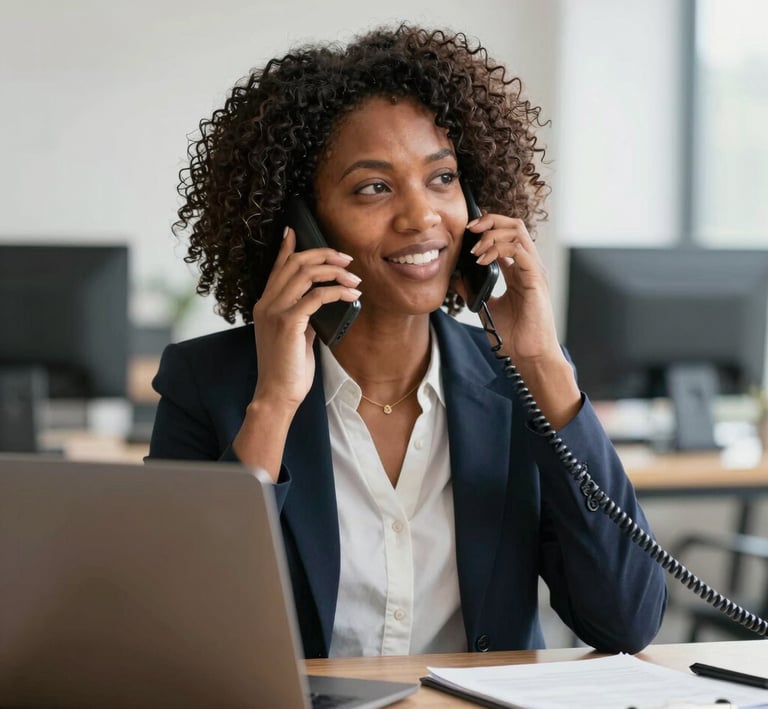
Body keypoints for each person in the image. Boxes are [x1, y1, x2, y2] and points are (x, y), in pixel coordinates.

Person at [149, 23, 667, 658]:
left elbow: (625, 620)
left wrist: (541, 364)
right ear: (302, 226)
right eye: (374, 187)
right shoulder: (210, 384)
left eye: (442, 178)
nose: (422, 216)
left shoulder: (517, 388)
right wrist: (274, 404)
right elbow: (184, 629)